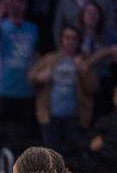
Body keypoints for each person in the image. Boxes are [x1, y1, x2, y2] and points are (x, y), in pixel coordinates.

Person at [30, 27, 99, 157]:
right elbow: (31, 77)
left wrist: (83, 71)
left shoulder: (83, 61)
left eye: (74, 38)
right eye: (67, 37)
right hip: (50, 116)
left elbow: (93, 88)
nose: (70, 41)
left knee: (76, 157)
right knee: (52, 157)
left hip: (75, 117)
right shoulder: (50, 58)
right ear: (61, 40)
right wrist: (39, 77)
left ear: (78, 42)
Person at [0, 0, 40, 140]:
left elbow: (36, 56)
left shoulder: (32, 28)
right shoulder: (1, 26)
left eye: (20, 1)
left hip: (26, 92)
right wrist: (0, 12)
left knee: (22, 138)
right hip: (2, 91)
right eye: (12, 1)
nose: (17, 5)